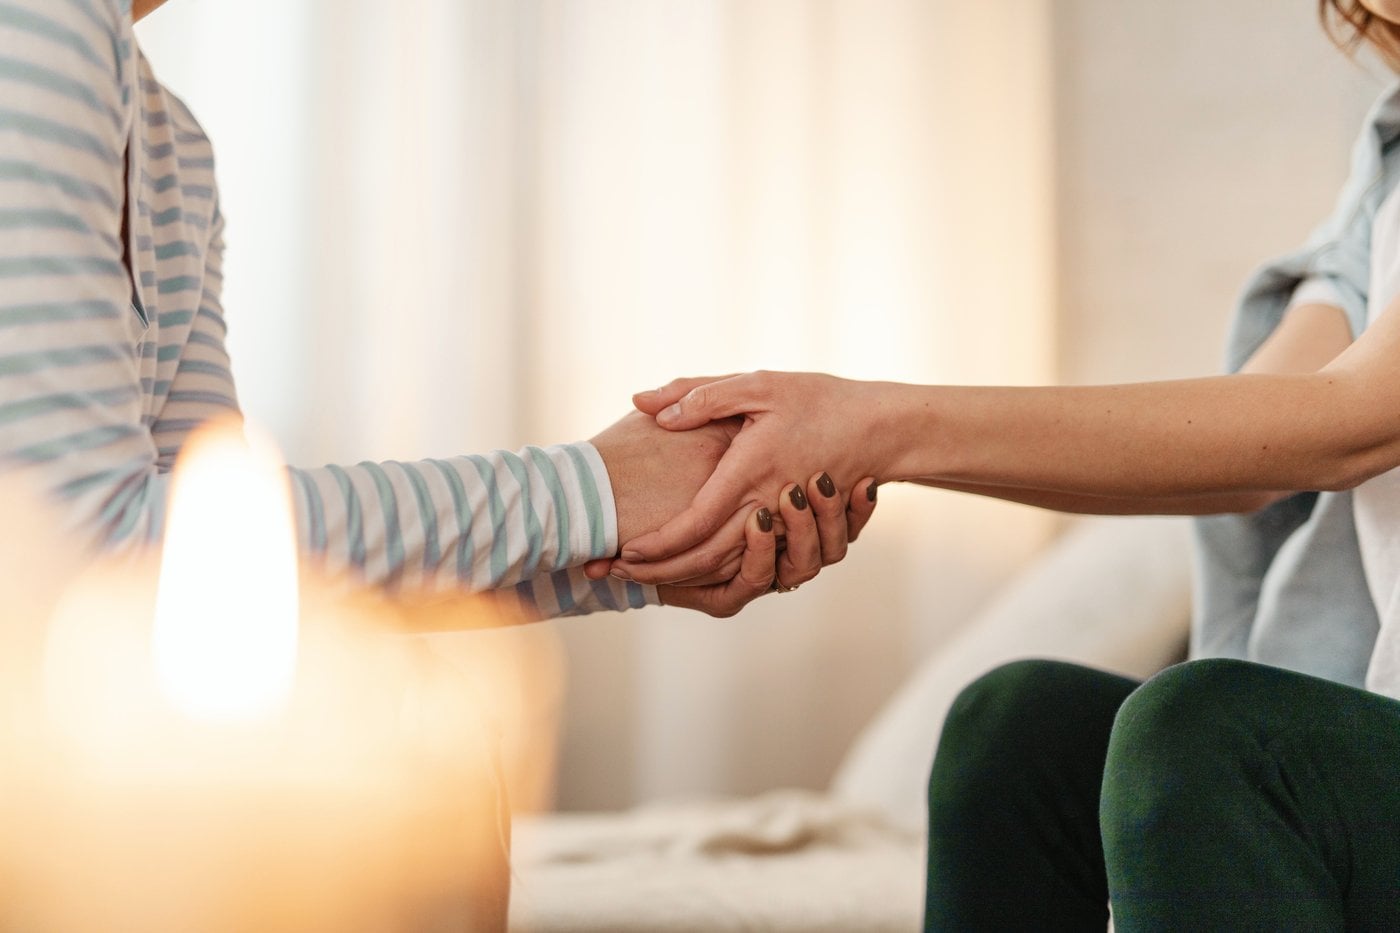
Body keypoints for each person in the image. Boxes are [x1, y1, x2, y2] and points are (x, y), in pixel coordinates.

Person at [599, 1, 1400, 927]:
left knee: (1207, 737)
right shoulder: (1385, 168)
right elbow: (1257, 457)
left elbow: (1348, 422)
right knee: (1015, 728)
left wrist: (872, 426)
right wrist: (851, 448)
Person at [0, 0, 877, 623]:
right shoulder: (41, 25)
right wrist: (599, 492)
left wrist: (646, 549)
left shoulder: (172, 150)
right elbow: (84, 582)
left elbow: (228, 602)